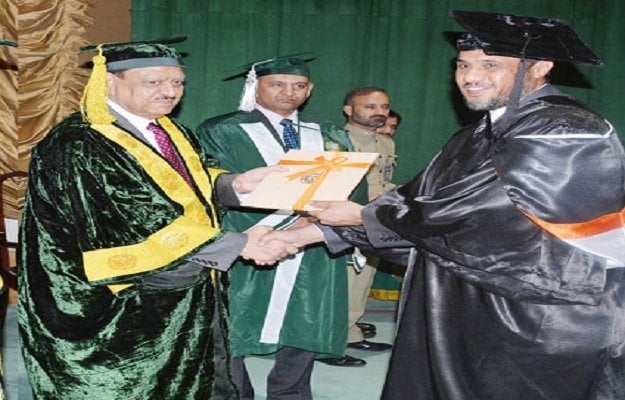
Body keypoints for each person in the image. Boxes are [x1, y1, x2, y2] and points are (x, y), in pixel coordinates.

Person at [262, 10, 625, 400]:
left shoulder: (568, 129)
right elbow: (417, 202)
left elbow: (481, 211)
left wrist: (364, 215)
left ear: (540, 67)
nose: (470, 76)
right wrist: (310, 232)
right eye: (463, 64)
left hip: (542, 318)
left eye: (490, 64)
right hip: (468, 309)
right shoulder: (472, 136)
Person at [18, 38, 297, 399]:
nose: (170, 92)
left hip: (180, 285)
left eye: (178, 82)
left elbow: (180, 184)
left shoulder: (169, 130)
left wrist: (234, 183)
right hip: (118, 302)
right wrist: (242, 243)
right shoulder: (81, 142)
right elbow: (136, 214)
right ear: (109, 83)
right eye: (154, 82)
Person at [196, 57, 367, 398]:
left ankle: (292, 393)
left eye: (299, 86)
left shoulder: (329, 134)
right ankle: (234, 393)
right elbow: (208, 187)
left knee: (307, 322)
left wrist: (332, 221)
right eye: (277, 84)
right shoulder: (221, 130)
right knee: (235, 324)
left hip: (315, 246)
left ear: (310, 90)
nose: (289, 92)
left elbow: (354, 191)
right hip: (251, 242)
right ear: (254, 87)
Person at [318, 87, 393, 367]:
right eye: (370, 106)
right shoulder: (334, 141)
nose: (379, 112)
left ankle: (350, 333)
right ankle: (327, 344)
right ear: (349, 110)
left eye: (384, 107)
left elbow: (381, 182)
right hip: (341, 219)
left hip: (371, 219)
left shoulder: (385, 144)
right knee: (341, 283)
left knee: (363, 279)